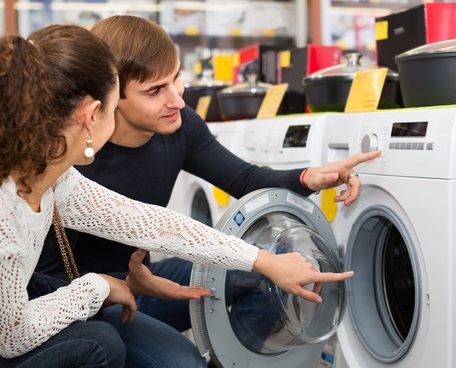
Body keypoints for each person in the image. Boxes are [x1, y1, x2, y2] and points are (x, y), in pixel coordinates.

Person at [0, 24, 354, 368]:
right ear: (93, 115)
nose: (177, 99)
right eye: (151, 90)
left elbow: (149, 223)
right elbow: (12, 337)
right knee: (99, 345)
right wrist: (100, 286)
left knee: (103, 331)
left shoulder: (47, 169)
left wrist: (263, 261)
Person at [35, 15, 382, 368]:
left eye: (177, 77)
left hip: (145, 282)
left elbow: (243, 180)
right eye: (155, 91)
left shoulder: (180, 127)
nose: (178, 101)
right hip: (85, 307)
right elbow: (43, 288)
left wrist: (310, 177)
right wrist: (119, 286)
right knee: (183, 362)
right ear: (111, 97)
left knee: (266, 278)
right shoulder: (74, 155)